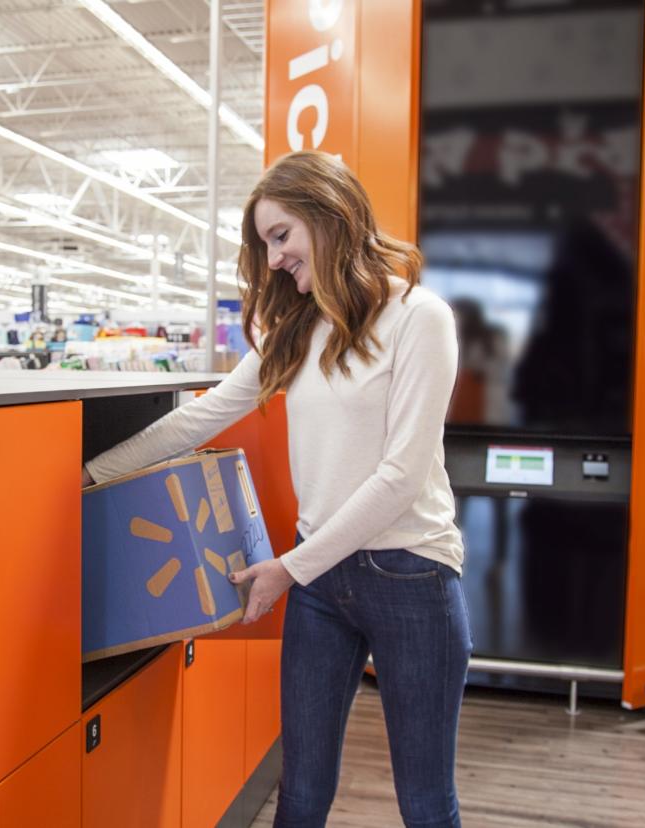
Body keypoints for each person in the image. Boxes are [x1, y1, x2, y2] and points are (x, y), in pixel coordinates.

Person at [83, 150, 471, 828]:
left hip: (411, 573)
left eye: (280, 235)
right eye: (265, 244)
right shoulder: (295, 332)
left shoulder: (419, 319)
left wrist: (290, 570)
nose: (272, 261)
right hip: (320, 579)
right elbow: (197, 420)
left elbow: (401, 476)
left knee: (425, 803)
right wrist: (85, 478)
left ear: (330, 214)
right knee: (300, 791)